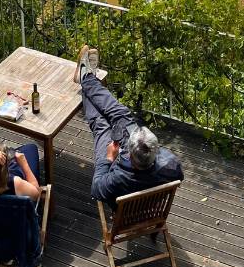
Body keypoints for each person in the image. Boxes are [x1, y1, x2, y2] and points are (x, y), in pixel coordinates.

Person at [74, 46, 183, 206]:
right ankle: (87, 79)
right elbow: (176, 173)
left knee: (102, 125)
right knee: (121, 113)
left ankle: (86, 78)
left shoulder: (117, 179)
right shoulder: (171, 167)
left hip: (118, 162)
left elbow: (96, 189)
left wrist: (109, 158)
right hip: (141, 164)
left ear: (130, 154)